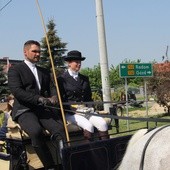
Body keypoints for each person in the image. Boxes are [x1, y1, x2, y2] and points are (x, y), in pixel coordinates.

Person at [8, 40, 65, 170]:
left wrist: (54, 96)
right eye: (34, 51)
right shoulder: (15, 70)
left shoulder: (44, 71)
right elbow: (17, 91)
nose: (38, 54)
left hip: (42, 109)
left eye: (39, 51)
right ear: (25, 52)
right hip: (24, 110)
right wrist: (38, 98)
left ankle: (64, 161)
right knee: (35, 131)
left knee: (59, 129)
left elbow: (52, 87)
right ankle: (49, 166)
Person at [58, 50, 109, 141]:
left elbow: (88, 97)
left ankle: (106, 149)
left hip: (86, 110)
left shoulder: (84, 79)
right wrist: (73, 109)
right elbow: (61, 100)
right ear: (69, 63)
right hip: (71, 112)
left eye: (80, 62)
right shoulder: (61, 79)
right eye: (76, 62)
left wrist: (90, 107)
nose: (79, 64)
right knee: (88, 126)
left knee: (102, 123)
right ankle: (89, 152)